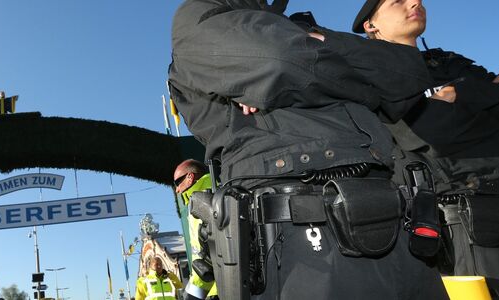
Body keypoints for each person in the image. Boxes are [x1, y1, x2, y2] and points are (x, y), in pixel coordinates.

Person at [168, 0, 449, 299]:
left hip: (393, 221)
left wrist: (316, 47)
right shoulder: (198, 16)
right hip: (302, 239)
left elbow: (407, 74)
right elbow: (281, 59)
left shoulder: (296, 27)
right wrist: (368, 87)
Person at [352, 0, 499, 292]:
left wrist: (458, 91)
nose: (415, 2)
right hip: (459, 223)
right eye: (397, 1)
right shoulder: (367, 76)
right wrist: (482, 106)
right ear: (370, 24)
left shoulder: (448, 63)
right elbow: (427, 134)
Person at [173, 159, 217, 300]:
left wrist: (194, 294)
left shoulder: (201, 202)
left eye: (177, 183)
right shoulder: (216, 191)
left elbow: (206, 254)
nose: (177, 189)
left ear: (190, 177)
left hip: (214, 288)